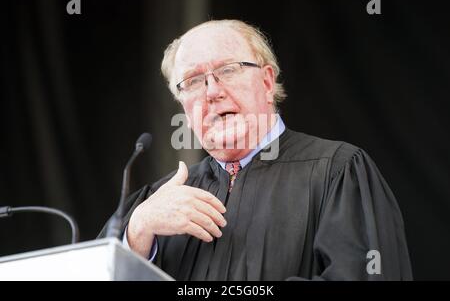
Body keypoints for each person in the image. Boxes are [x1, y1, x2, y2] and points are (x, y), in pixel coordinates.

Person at [99, 19, 412, 280]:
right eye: (193, 81)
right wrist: (136, 234)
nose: (212, 92)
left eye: (228, 70)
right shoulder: (155, 205)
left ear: (266, 82)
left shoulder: (338, 171)